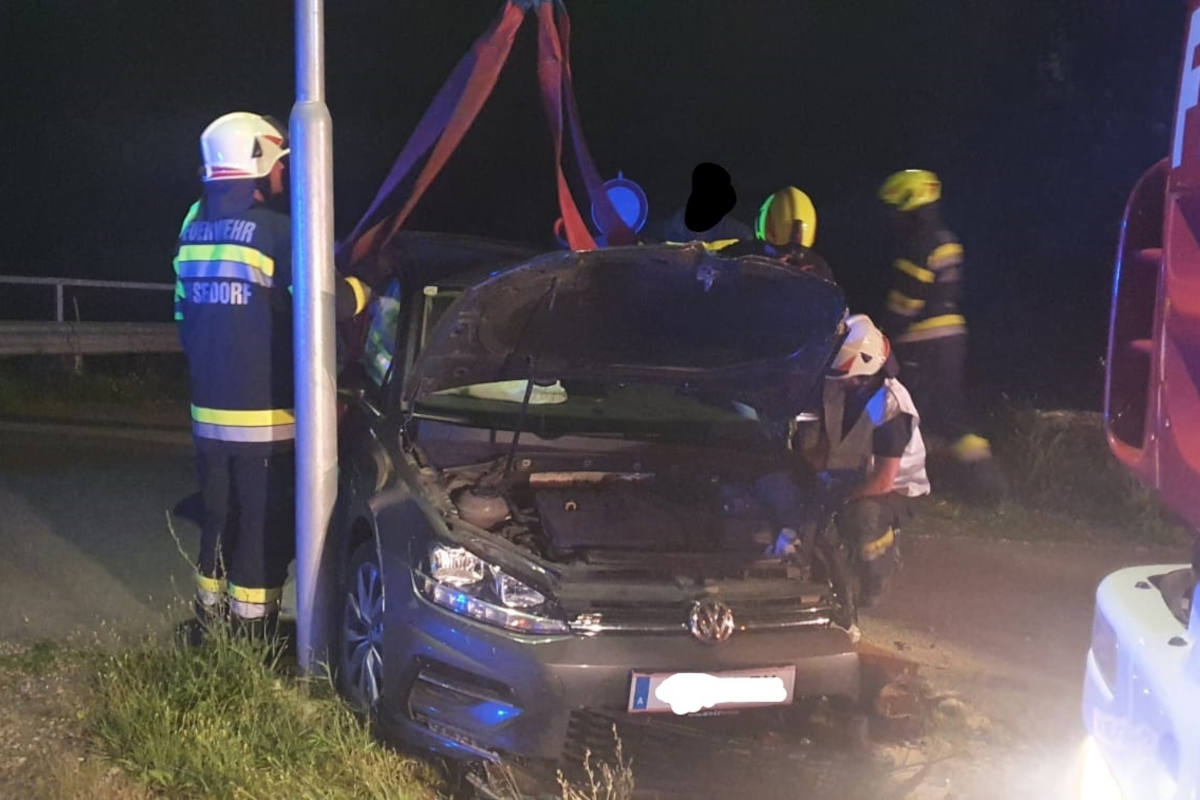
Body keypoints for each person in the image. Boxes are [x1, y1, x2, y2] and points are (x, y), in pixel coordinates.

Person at [173, 111, 372, 636]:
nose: (287, 174)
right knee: (262, 532)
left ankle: (208, 624)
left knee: (218, 521)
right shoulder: (279, 233)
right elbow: (325, 303)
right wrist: (366, 288)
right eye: (282, 162)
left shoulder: (193, 226)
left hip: (207, 416)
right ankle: (252, 640)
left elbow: (183, 315)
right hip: (265, 416)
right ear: (258, 161)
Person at [877, 169, 1003, 499]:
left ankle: (906, 483)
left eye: (896, 209)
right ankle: (980, 485)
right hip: (951, 338)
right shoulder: (946, 239)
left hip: (922, 344)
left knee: (903, 412)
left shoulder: (917, 246)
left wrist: (880, 337)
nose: (893, 218)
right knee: (950, 415)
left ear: (909, 204)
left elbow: (904, 305)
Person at [811, 314, 930, 606]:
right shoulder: (840, 386)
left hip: (895, 491)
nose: (840, 381)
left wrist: (842, 499)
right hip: (851, 473)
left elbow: (883, 480)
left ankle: (876, 576)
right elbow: (827, 439)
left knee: (862, 517)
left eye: (845, 376)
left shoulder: (891, 406)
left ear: (865, 365)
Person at [723, 186, 835, 281]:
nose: (784, 261)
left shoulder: (815, 273)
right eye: (775, 251)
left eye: (794, 257)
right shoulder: (738, 256)